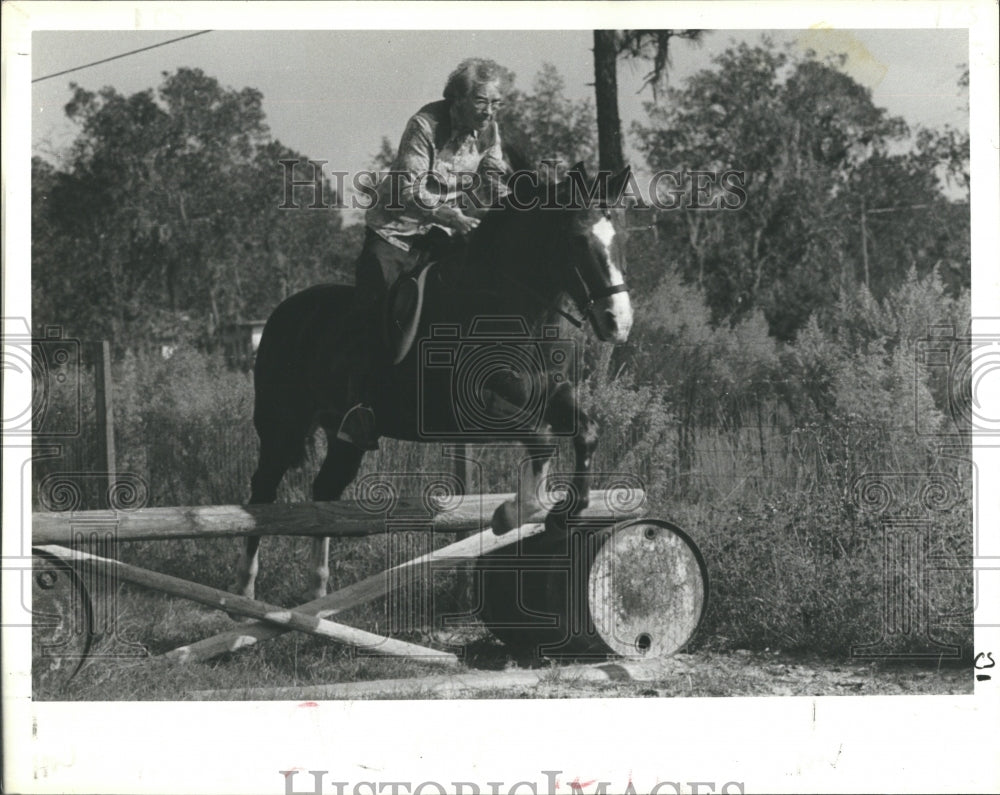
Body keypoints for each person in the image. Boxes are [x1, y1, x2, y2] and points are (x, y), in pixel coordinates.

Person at [337, 58, 512, 450]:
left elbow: (494, 177)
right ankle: (358, 407)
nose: (490, 112)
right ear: (459, 99)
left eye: (497, 104)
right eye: (483, 102)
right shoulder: (424, 126)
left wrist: (516, 205)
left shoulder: (488, 130)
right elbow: (407, 191)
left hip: (444, 232)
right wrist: (453, 213)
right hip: (396, 234)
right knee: (377, 309)